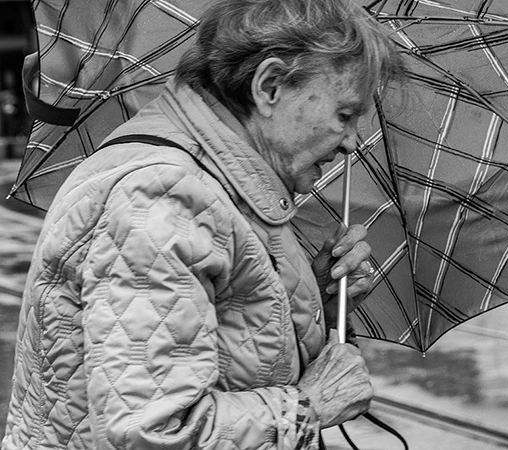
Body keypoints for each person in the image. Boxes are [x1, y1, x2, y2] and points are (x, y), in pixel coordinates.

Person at [2, 0, 400, 448]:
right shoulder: (165, 196)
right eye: (344, 115)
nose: (351, 142)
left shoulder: (226, 182)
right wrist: (308, 407)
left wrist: (316, 302)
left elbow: (230, 345)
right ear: (269, 85)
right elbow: (152, 434)